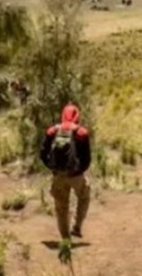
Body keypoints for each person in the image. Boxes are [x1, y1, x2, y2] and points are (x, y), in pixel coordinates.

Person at [39, 103, 92, 241]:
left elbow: (42, 154)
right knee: (84, 197)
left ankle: (65, 238)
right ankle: (77, 226)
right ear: (77, 116)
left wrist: (53, 168)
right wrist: (78, 171)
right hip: (76, 175)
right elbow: (87, 159)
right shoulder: (82, 133)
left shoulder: (52, 131)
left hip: (58, 175)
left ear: (63, 115)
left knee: (61, 207)